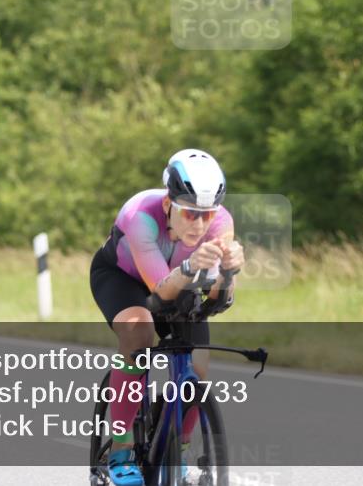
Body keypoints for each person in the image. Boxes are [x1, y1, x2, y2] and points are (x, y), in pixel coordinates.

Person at [90, 149, 244, 486]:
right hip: (124, 279)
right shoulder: (140, 216)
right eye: (189, 213)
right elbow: (159, 294)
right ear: (167, 204)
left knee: (198, 366)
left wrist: (228, 275)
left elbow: (216, 301)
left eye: (207, 214)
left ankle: (179, 450)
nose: (199, 225)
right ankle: (121, 449)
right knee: (139, 332)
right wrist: (189, 267)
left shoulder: (222, 224)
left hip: (180, 282)